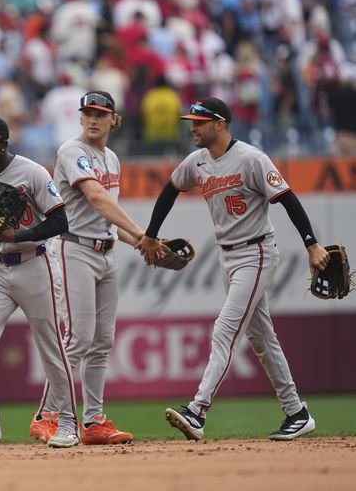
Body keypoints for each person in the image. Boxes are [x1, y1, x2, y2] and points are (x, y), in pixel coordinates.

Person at [136, 97, 330, 441]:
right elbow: (170, 190)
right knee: (262, 339)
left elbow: (286, 197)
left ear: (220, 124)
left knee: (225, 329)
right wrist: (150, 235)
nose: (192, 128)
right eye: (191, 122)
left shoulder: (252, 159)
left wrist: (311, 244)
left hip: (256, 253)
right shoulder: (197, 162)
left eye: (199, 122)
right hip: (228, 258)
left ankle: (197, 411)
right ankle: (296, 412)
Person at [0, 115, 79, 449]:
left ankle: (67, 423)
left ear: (3, 144)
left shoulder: (33, 171)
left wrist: (19, 234)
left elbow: (60, 221)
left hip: (34, 265)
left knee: (50, 345)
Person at [31, 91, 149, 446]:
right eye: (87, 113)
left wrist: (142, 244)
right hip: (75, 248)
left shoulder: (112, 157)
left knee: (102, 342)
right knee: (78, 338)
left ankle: (94, 421)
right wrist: (143, 234)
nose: (92, 119)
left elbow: (107, 218)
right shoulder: (72, 151)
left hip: (106, 249)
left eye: (100, 113)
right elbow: (97, 198)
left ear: (115, 119)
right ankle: (47, 415)